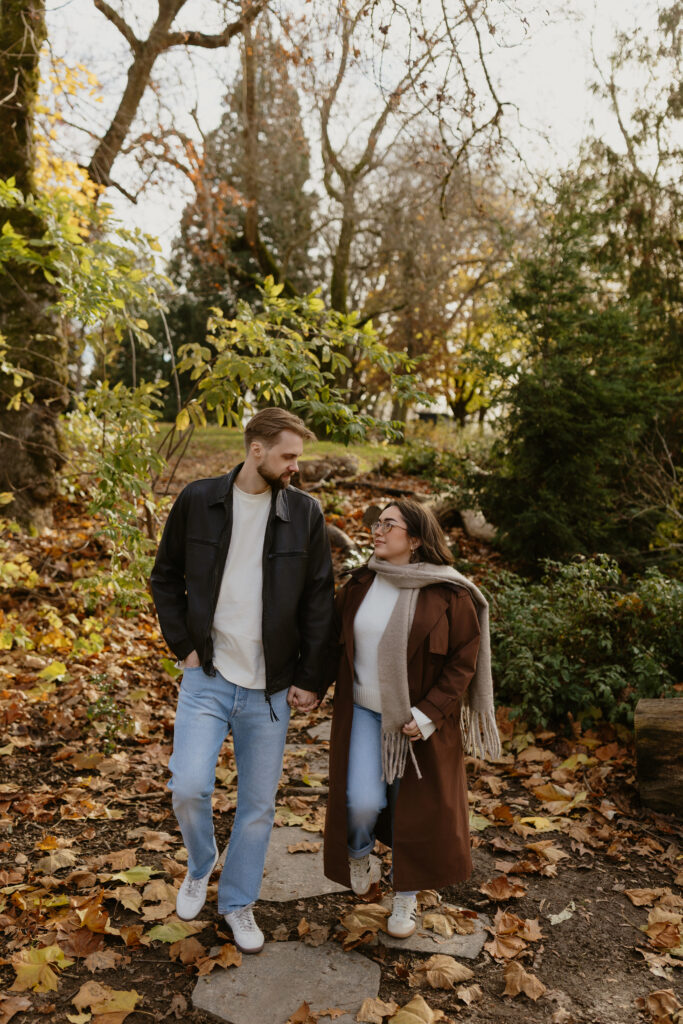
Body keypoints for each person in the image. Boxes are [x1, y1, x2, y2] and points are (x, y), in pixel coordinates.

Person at [151, 408, 334, 954]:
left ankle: (238, 902)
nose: (295, 466)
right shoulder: (198, 500)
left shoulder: (305, 513)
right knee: (189, 787)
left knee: (257, 806)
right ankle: (200, 864)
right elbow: (165, 577)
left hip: (270, 689)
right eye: (288, 455)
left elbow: (319, 600)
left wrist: (310, 677)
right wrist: (184, 646)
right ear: (256, 450)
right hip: (207, 675)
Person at [323, 498, 500, 938]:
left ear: (416, 539)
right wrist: (306, 684)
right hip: (364, 712)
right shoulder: (361, 583)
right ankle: (360, 854)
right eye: (376, 523)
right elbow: (331, 643)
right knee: (362, 802)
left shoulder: (450, 593)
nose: (377, 530)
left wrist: (428, 713)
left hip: (417, 722)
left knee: (413, 812)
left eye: (389, 524)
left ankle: (405, 897)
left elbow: (463, 661)